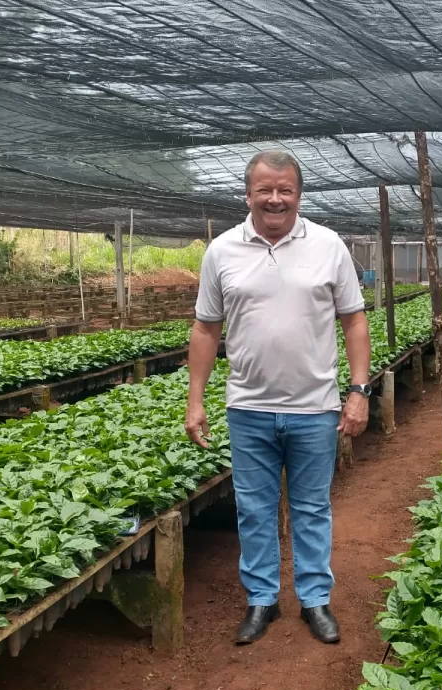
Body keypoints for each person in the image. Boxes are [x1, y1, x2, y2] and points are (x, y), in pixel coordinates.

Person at [184, 150, 372, 645]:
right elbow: (205, 329)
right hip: (248, 408)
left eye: (284, 190)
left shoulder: (329, 246)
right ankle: (261, 600)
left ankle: (314, 601)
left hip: (315, 407)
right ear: (247, 194)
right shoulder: (221, 251)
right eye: (264, 189)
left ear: (298, 195)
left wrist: (358, 390)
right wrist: (195, 400)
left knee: (312, 508)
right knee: (254, 508)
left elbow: (354, 320)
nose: (274, 199)